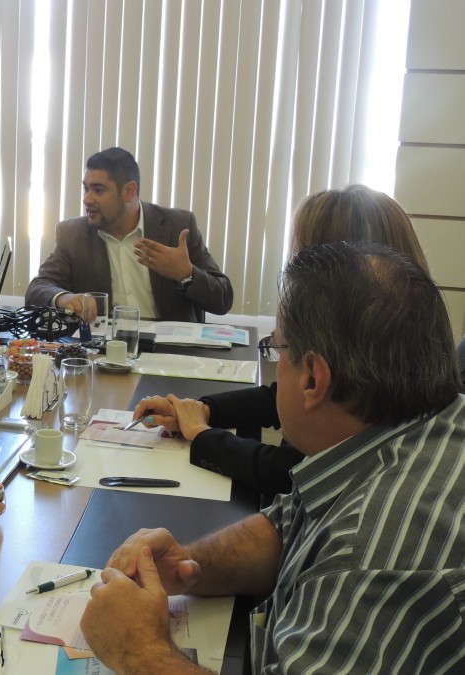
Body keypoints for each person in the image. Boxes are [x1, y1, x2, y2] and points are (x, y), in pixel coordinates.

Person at [81, 241, 465, 674]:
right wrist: (189, 562)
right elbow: (286, 527)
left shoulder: (369, 552)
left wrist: (139, 649)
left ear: (313, 379)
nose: (275, 366)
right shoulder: (405, 432)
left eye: (277, 350)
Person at [133, 185, 431, 499]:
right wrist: (203, 410)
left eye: (299, 251)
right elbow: (281, 398)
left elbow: (291, 472)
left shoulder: (363, 354)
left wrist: (202, 435)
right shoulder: (401, 339)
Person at [25, 147, 232, 322]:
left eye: (98, 190)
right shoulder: (73, 234)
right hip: (104, 350)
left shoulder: (176, 227)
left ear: (129, 191)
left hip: (170, 349)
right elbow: (38, 288)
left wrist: (186, 274)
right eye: (86, 189)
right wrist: (63, 298)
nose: (87, 199)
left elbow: (223, 299)